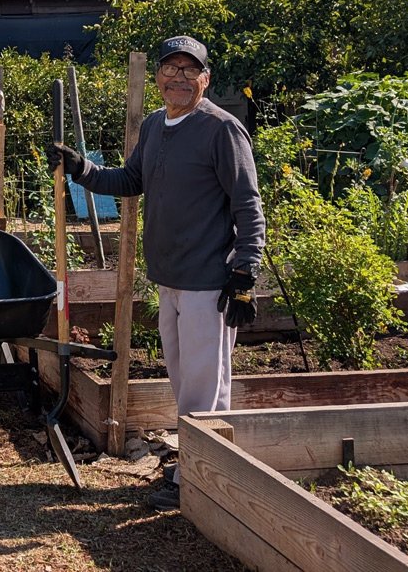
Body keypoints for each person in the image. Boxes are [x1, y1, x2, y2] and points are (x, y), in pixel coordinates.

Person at [47, 35, 265, 511]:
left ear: (206, 79)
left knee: (206, 389)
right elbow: (130, 180)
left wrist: (245, 270)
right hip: (169, 278)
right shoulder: (153, 126)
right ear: (159, 78)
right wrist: (81, 168)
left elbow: (248, 204)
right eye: (171, 69)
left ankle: (200, 479)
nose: (179, 79)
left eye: (191, 71)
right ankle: (194, 466)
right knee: (185, 381)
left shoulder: (222, 130)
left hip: (210, 282)